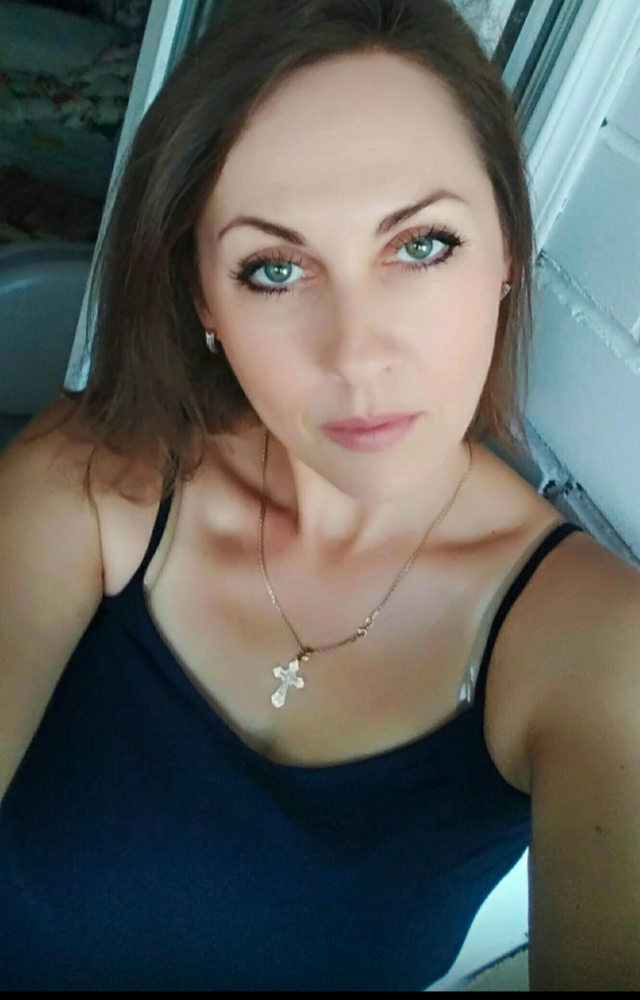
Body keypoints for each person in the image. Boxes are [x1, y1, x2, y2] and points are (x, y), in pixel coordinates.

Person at [1, 0, 592, 991]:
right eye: (274, 268)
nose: (356, 354)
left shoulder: (592, 646)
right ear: (203, 298)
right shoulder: (97, 475)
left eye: (422, 245)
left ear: (504, 251)